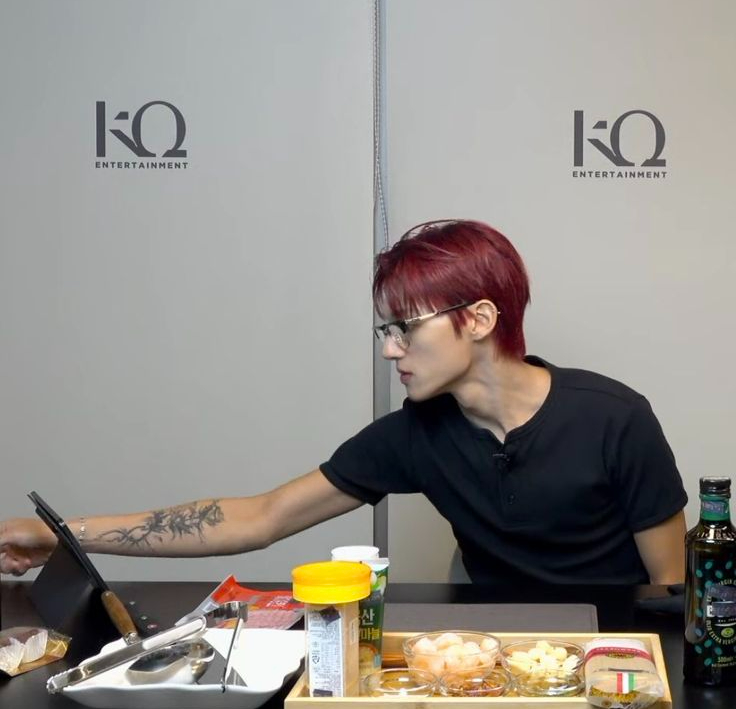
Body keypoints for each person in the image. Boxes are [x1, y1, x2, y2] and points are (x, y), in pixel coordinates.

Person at [0, 219, 687, 586]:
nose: (390, 350)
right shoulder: (414, 435)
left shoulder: (615, 418)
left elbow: (671, 589)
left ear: (479, 319)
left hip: (617, 661)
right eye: (384, 331)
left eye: (405, 328)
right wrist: (60, 532)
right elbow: (259, 518)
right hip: (488, 660)